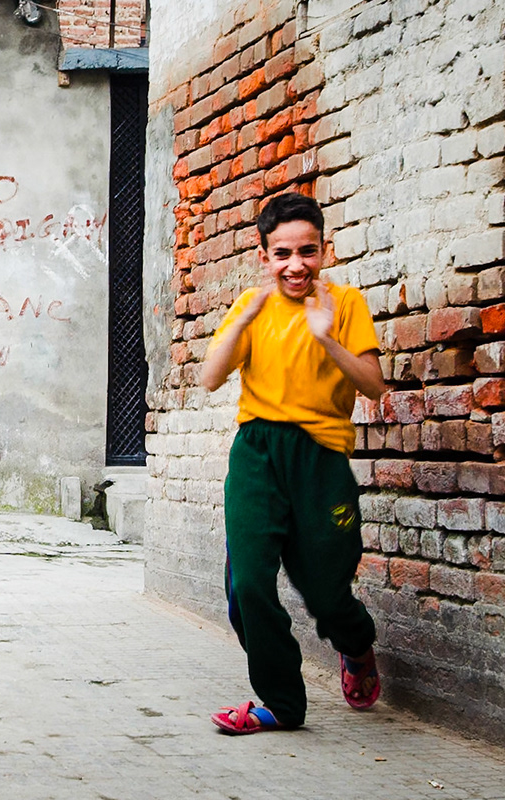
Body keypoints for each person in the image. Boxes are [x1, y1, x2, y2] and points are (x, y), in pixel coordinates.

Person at [198, 191, 388, 735]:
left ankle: (355, 644)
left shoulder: (345, 304)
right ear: (264, 256)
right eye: (282, 254)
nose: (295, 265)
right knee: (249, 586)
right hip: (257, 453)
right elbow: (210, 377)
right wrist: (245, 319)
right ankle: (280, 702)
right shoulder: (250, 309)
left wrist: (326, 338)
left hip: (322, 460)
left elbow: (374, 385)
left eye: (307, 252)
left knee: (327, 594)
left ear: (323, 250)